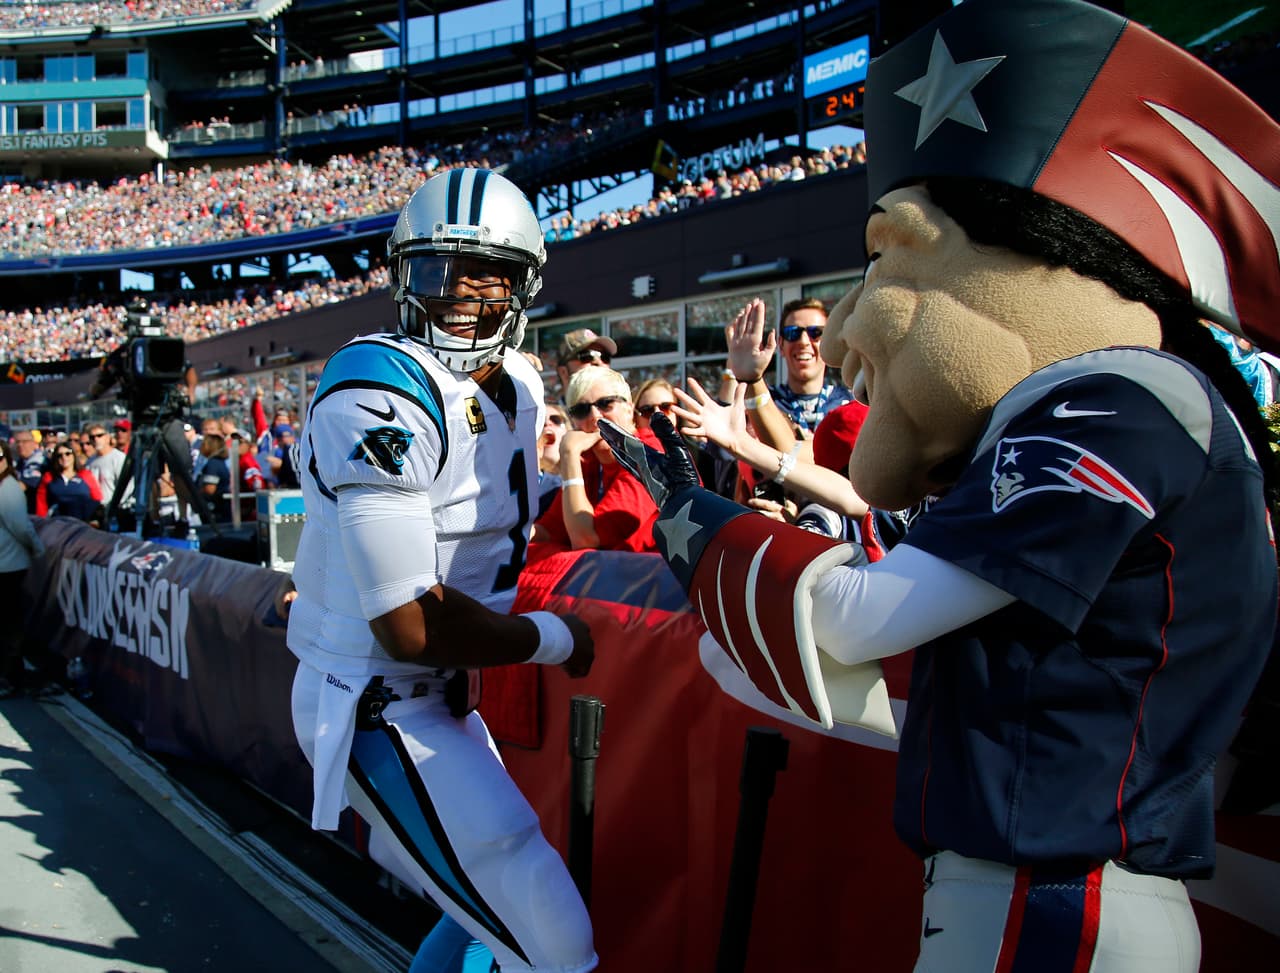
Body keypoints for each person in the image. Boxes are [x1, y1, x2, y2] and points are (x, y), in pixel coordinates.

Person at [600, 2, 1279, 969]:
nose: (840, 333)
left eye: (887, 256)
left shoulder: (1118, 397)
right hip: (1034, 886)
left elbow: (856, 616)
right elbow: (965, 685)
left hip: (1057, 899)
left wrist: (692, 522)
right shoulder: (1110, 408)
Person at [287, 167, 597, 973]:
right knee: (551, 929)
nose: (458, 291)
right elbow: (408, 622)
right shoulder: (377, 388)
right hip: (373, 699)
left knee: (478, 915)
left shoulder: (523, 385)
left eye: (485, 270)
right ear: (403, 274)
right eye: (437, 268)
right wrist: (551, 639)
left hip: (442, 687)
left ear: (523, 284)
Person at [531, 366, 660, 556]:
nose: (594, 416)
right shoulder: (589, 462)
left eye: (606, 404)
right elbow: (548, 531)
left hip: (666, 580)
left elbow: (585, 540)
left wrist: (569, 453)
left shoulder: (649, 453)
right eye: (581, 410)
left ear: (629, 409)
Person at [725, 297, 853, 435]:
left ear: (828, 343)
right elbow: (721, 440)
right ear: (780, 345)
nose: (803, 342)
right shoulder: (761, 402)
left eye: (816, 332)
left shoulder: (851, 404)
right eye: (793, 333)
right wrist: (734, 367)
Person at [0, 439, 45, 699]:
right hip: (8, 566)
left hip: (9, 565)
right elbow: (21, 527)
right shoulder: (8, 489)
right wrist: (38, 550)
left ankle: (9, 675)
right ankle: (9, 677)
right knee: (10, 626)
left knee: (9, 625)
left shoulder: (8, 488)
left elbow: (20, 526)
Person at [35, 443, 102, 523]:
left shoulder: (85, 475)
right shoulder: (49, 477)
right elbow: (41, 504)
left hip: (82, 524)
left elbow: (97, 498)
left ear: (73, 455)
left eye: (68, 454)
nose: (64, 457)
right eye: (60, 455)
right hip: (58, 524)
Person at [554, 327, 616, 405]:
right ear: (563, 372)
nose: (598, 362)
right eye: (587, 355)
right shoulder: (547, 416)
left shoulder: (624, 411)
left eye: (604, 357)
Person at [536, 400, 569, 518]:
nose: (547, 423)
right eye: (540, 422)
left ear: (568, 430)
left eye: (556, 420)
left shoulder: (588, 474)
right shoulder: (530, 483)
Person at [84, 422, 129, 508]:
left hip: (116, 509)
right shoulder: (90, 462)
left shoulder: (119, 458)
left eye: (99, 435)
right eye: (92, 437)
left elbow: (126, 488)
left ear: (108, 437)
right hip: (96, 509)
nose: (96, 439)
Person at [12, 429, 45, 514]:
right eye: (17, 442)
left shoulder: (38, 461)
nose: (20, 445)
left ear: (34, 444)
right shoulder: (19, 462)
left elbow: (21, 487)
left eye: (24, 441)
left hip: (35, 513)